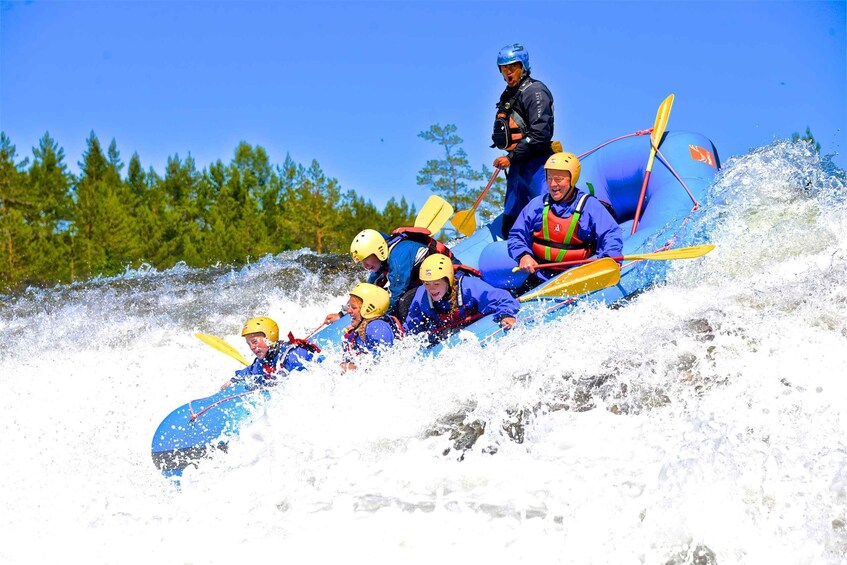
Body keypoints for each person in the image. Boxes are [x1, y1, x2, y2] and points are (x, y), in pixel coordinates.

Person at [508, 151, 623, 284]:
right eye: (549, 178)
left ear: (572, 179)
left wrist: (609, 261)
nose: (553, 185)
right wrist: (523, 255)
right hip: (539, 276)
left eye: (558, 179)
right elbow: (516, 235)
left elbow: (610, 235)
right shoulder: (536, 205)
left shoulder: (590, 206)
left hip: (578, 275)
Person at [324, 227, 459, 325]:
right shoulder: (382, 261)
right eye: (361, 262)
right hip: (429, 286)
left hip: (450, 280)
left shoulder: (399, 256)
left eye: (366, 259)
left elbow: (397, 293)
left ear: (379, 251)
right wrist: (342, 313)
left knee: (402, 302)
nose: (365, 265)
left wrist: (374, 320)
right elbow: (366, 291)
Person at [491, 43, 555, 238]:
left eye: (513, 67)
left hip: (537, 166)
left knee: (542, 217)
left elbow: (540, 133)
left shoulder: (535, 91)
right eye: (504, 68)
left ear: (523, 67)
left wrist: (511, 157)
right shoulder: (509, 95)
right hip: (517, 169)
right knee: (509, 224)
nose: (508, 72)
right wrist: (512, 158)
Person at [404, 254, 519, 344]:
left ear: (447, 280)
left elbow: (502, 298)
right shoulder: (422, 295)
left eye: (436, 284)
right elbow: (411, 326)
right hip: (448, 334)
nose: (431, 289)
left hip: (476, 328)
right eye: (427, 284)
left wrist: (506, 314)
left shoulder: (469, 286)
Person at [220, 316, 319, 390]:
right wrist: (233, 380)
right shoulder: (263, 360)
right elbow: (250, 371)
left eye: (255, 342)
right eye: (248, 344)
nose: (252, 347)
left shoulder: (294, 355)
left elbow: (298, 384)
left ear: (269, 338)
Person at [341, 282, 404, 371]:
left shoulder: (377, 327)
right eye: (349, 307)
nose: (349, 311)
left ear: (369, 309)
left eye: (354, 308)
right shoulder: (363, 326)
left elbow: (386, 363)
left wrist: (354, 367)